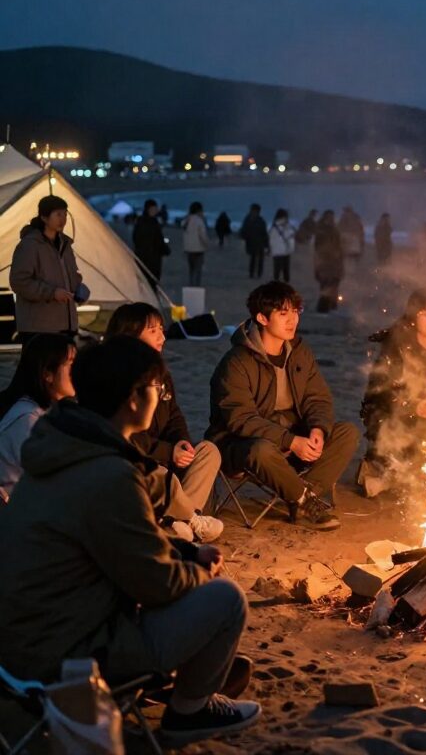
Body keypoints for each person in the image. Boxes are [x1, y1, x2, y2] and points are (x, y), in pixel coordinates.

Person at [0, 337, 261, 745]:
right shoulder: (108, 476)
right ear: (134, 400)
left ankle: (179, 675)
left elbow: (112, 543)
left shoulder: (61, 445)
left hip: (17, 640)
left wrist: (186, 552)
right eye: (155, 388)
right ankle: (187, 713)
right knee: (225, 600)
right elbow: (156, 584)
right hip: (62, 656)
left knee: (184, 572)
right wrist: (198, 569)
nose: (160, 395)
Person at [207, 281, 359, 530]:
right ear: (262, 318)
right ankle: (305, 499)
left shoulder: (299, 352)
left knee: (347, 433)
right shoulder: (236, 363)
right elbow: (241, 420)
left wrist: (317, 430)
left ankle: (301, 494)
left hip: (291, 436)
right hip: (239, 444)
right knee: (261, 450)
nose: (292, 320)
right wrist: (290, 441)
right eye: (283, 313)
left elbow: (317, 398)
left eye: (295, 312)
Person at [106, 303, 223, 542]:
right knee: (157, 472)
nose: (162, 336)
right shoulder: (117, 377)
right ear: (131, 334)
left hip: (167, 459)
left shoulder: (160, 372)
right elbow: (124, 435)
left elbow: (174, 415)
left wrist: (181, 443)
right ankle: (188, 519)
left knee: (208, 451)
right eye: (153, 330)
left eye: (162, 328)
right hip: (138, 463)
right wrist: (168, 452)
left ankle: (177, 522)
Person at [358, 288, 426, 497]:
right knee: (414, 453)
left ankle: (402, 474)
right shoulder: (395, 347)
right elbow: (380, 392)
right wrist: (413, 406)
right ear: (414, 316)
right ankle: (384, 470)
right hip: (395, 418)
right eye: (425, 314)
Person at [0, 334, 76, 493]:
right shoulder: (28, 420)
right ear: (47, 373)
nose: (76, 371)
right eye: (70, 364)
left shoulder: (41, 412)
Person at [9, 194, 89, 342]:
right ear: (44, 218)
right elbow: (19, 282)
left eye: (65, 214)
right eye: (58, 214)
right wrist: (51, 293)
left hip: (66, 324)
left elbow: (71, 275)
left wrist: (78, 288)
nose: (63, 219)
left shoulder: (65, 245)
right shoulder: (30, 245)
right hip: (39, 326)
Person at [313, 210, 344, 312]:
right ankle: (324, 306)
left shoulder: (334, 230)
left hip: (333, 261)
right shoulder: (322, 231)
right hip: (325, 261)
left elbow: (339, 246)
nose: (331, 220)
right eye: (329, 218)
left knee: (333, 283)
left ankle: (331, 304)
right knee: (326, 284)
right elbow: (318, 247)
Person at [133, 198, 169, 284]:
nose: (155, 211)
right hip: (151, 257)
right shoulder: (152, 222)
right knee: (151, 280)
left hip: (145, 256)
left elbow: (135, 237)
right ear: (149, 209)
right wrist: (165, 249)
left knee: (146, 280)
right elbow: (158, 239)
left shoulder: (142, 221)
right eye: (153, 209)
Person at [182, 201, 209, 287]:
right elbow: (203, 235)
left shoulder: (186, 220)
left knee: (191, 269)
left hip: (188, 249)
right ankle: (195, 286)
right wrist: (206, 244)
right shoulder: (199, 221)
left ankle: (191, 285)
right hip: (198, 249)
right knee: (197, 270)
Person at [239, 204, 269, 280]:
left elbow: (243, 231)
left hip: (253, 242)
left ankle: (254, 273)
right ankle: (256, 273)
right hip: (256, 242)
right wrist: (266, 244)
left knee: (255, 259)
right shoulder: (259, 220)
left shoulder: (249, 219)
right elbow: (264, 233)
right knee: (256, 259)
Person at [268, 208, 296, 283]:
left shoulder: (275, 226)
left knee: (278, 268)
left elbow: (271, 239)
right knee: (284, 268)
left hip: (280, 251)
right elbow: (288, 235)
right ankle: (283, 282)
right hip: (283, 250)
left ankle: (278, 281)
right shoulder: (283, 226)